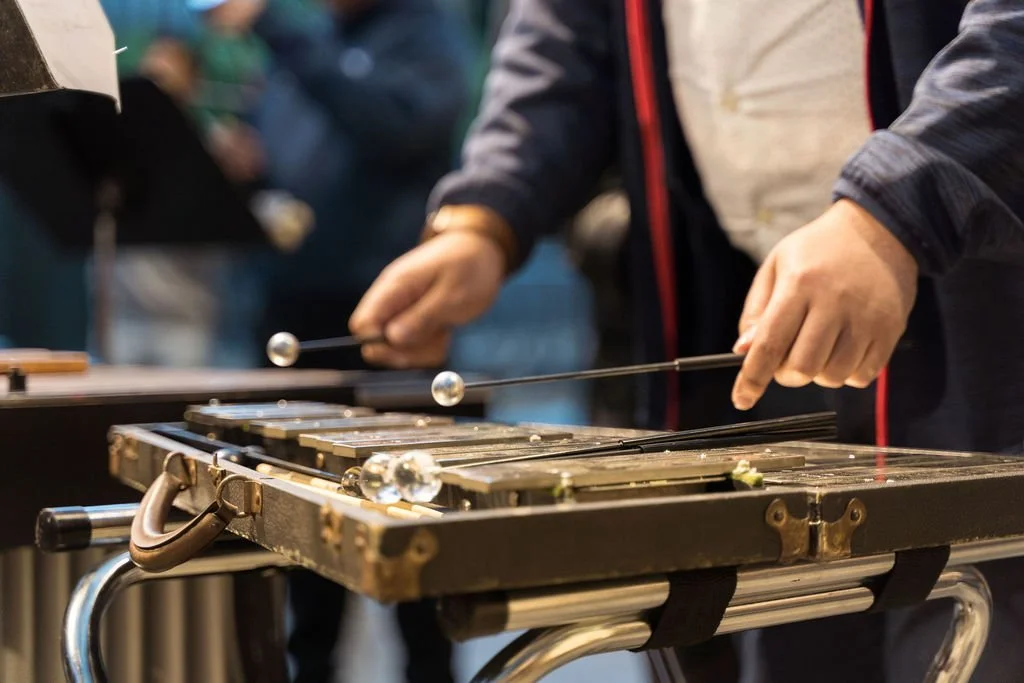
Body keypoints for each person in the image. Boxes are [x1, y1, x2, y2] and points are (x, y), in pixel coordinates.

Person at [348, 1, 1024, 682]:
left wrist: (893, 208)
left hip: (983, 326)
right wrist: (484, 218)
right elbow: (564, 44)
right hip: (756, 339)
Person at [197, 1, 471, 682]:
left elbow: (393, 127)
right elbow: (295, 168)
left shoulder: (425, 32)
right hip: (293, 317)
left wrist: (277, 29)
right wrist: (249, 169)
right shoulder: (313, 43)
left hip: (393, 329)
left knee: (416, 545)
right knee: (299, 552)